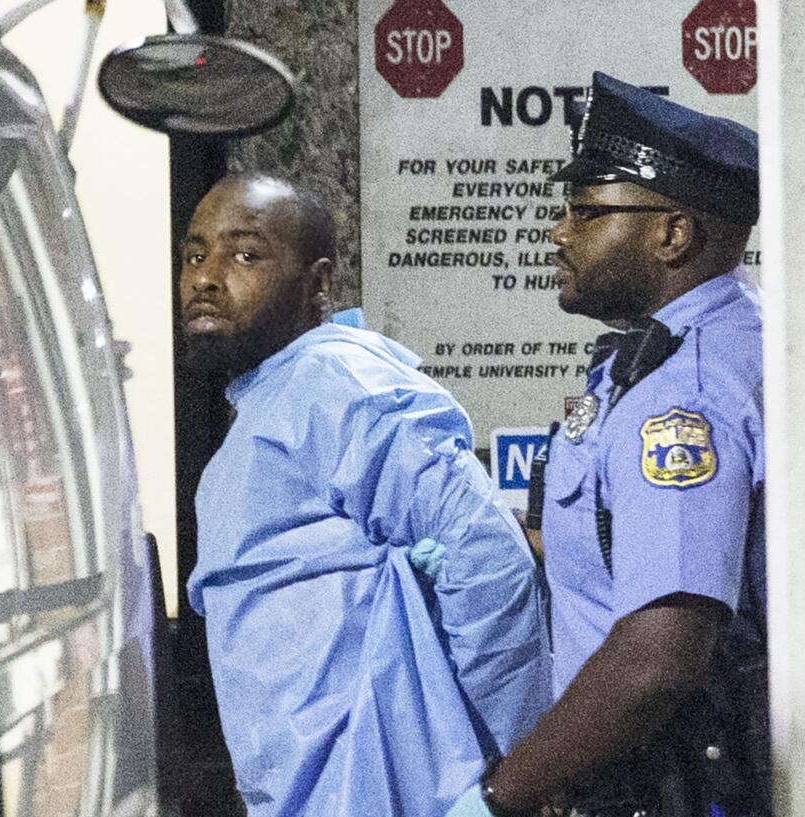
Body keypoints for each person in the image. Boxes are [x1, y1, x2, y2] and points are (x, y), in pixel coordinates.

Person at [182, 173, 550, 817]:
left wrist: (511, 780)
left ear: (319, 283)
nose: (207, 277)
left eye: (245, 254)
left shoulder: (337, 382)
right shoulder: (271, 402)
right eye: (195, 253)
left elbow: (488, 555)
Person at [451, 72, 768, 817]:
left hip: (671, 785)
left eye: (588, 213)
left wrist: (504, 791)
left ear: (671, 233)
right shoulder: (714, 344)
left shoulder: (683, 393)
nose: (560, 232)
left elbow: (658, 658)